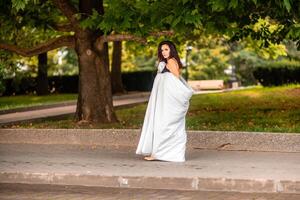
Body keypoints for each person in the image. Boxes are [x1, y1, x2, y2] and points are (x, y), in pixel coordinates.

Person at [135, 41, 194, 162]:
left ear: (171, 50)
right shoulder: (166, 62)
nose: (164, 52)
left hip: (167, 102)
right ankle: (160, 153)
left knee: (163, 125)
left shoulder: (171, 61)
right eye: (162, 50)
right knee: (162, 125)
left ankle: (160, 153)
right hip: (163, 100)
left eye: (166, 49)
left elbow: (175, 79)